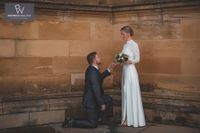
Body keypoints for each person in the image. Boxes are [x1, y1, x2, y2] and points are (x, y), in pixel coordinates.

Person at [63, 51, 116, 128]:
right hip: (91, 102)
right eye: (98, 57)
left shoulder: (93, 69)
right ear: (94, 60)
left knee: (109, 99)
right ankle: (71, 121)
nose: (100, 58)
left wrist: (109, 69)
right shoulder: (92, 72)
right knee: (92, 124)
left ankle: (99, 118)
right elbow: (96, 89)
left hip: (94, 99)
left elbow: (99, 78)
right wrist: (101, 103)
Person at [120, 26, 146, 127]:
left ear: (128, 33)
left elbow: (138, 59)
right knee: (126, 92)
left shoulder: (134, 44)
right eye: (121, 34)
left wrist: (129, 61)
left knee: (130, 92)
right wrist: (120, 60)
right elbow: (123, 57)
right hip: (125, 70)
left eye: (122, 34)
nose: (122, 36)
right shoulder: (125, 44)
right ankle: (127, 118)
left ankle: (132, 120)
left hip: (131, 70)